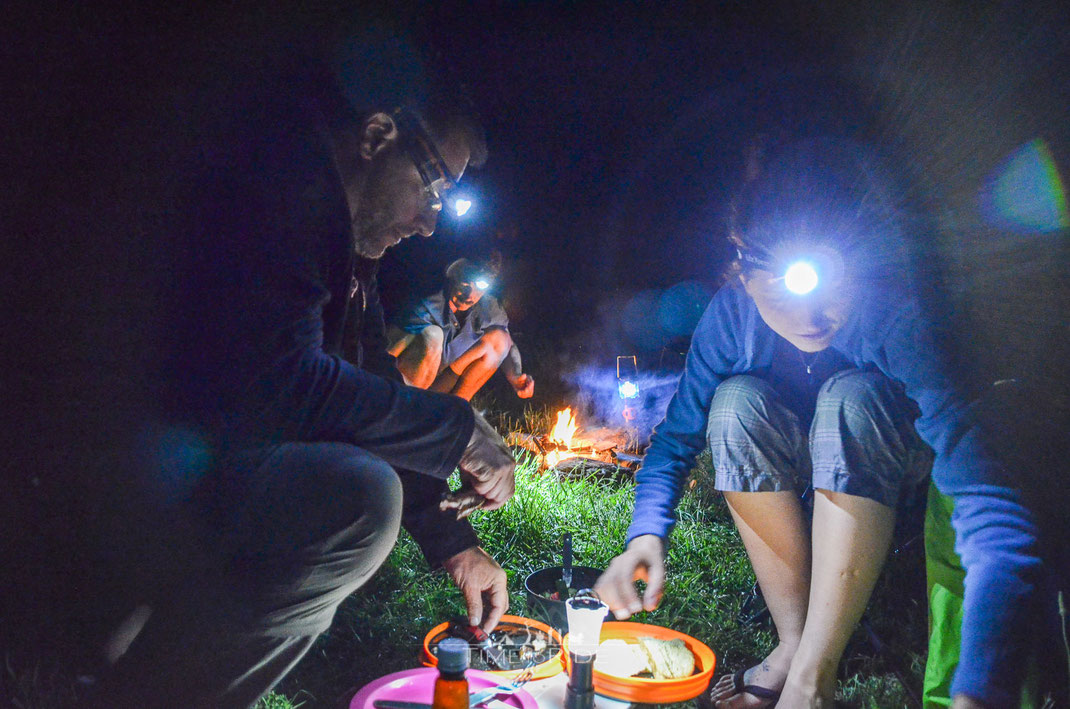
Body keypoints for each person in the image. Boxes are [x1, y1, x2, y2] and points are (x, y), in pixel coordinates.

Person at [85, 49, 517, 708]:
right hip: (100, 468)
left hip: (177, 471)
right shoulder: (271, 187)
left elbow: (367, 383)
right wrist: (458, 431)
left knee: (363, 482)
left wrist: (454, 543)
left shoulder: (346, 248)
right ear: (377, 136)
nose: (431, 221)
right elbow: (278, 382)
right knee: (357, 501)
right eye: (432, 185)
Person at [595, 137, 1051, 709]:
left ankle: (814, 674)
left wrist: (981, 691)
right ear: (742, 272)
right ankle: (792, 644)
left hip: (887, 456)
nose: (813, 317)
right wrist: (645, 534)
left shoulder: (894, 316)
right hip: (795, 453)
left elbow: (989, 505)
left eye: (834, 283)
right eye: (784, 292)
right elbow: (676, 440)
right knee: (733, 402)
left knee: (851, 395)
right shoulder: (729, 320)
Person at [386, 257, 535, 401]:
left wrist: (516, 375)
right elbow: (389, 345)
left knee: (500, 340)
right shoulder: (429, 300)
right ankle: (404, 407)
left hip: (439, 384)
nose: (470, 294)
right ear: (454, 274)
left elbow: (509, 345)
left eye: (480, 285)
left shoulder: (488, 308)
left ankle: (452, 408)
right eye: (465, 283)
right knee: (433, 335)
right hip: (404, 383)